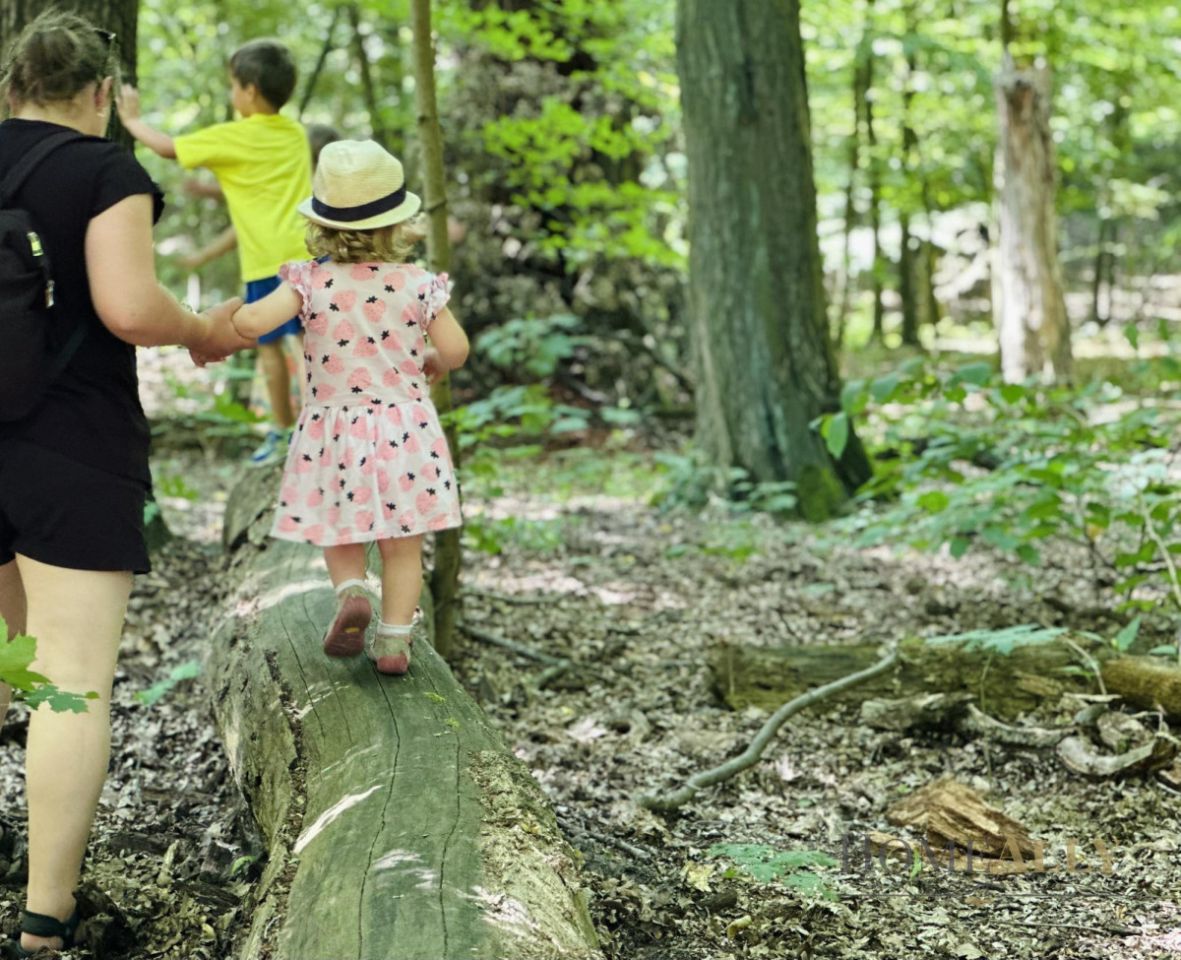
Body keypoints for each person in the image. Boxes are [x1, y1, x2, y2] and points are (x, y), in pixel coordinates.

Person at [0, 11, 248, 956]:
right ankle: (43, 919)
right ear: (103, 96)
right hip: (71, 445)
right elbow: (131, 307)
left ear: (13, 84)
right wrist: (205, 328)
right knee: (70, 678)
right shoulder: (106, 171)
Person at [228, 140, 468, 675]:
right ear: (397, 225)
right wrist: (429, 357)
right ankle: (394, 643)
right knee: (403, 544)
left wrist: (214, 322)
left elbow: (250, 325)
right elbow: (456, 351)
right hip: (405, 427)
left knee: (341, 529)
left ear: (323, 225)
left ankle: (353, 590)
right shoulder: (419, 284)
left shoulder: (309, 281)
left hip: (334, 429)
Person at [117, 39, 312, 463]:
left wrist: (131, 121)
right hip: (309, 256)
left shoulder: (235, 136)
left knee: (271, 348)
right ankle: (322, 423)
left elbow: (169, 147)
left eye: (232, 86)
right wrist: (209, 190)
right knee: (313, 342)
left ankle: (283, 433)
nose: (231, 94)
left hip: (267, 261)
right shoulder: (296, 135)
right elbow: (260, 185)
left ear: (251, 90)